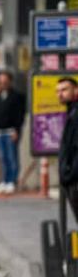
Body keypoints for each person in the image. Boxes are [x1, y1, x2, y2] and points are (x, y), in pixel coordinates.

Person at [0, 72, 26, 195]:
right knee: (3, 158)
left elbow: (19, 115)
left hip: (11, 131)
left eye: (5, 81)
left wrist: (16, 129)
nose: (3, 84)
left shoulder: (17, 96)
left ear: (10, 81)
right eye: (0, 82)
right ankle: (5, 180)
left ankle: (12, 181)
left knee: (12, 157)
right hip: (0, 131)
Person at [57, 77, 78, 220]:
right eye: (58, 91)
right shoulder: (71, 112)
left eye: (64, 90)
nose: (60, 94)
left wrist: (69, 174)